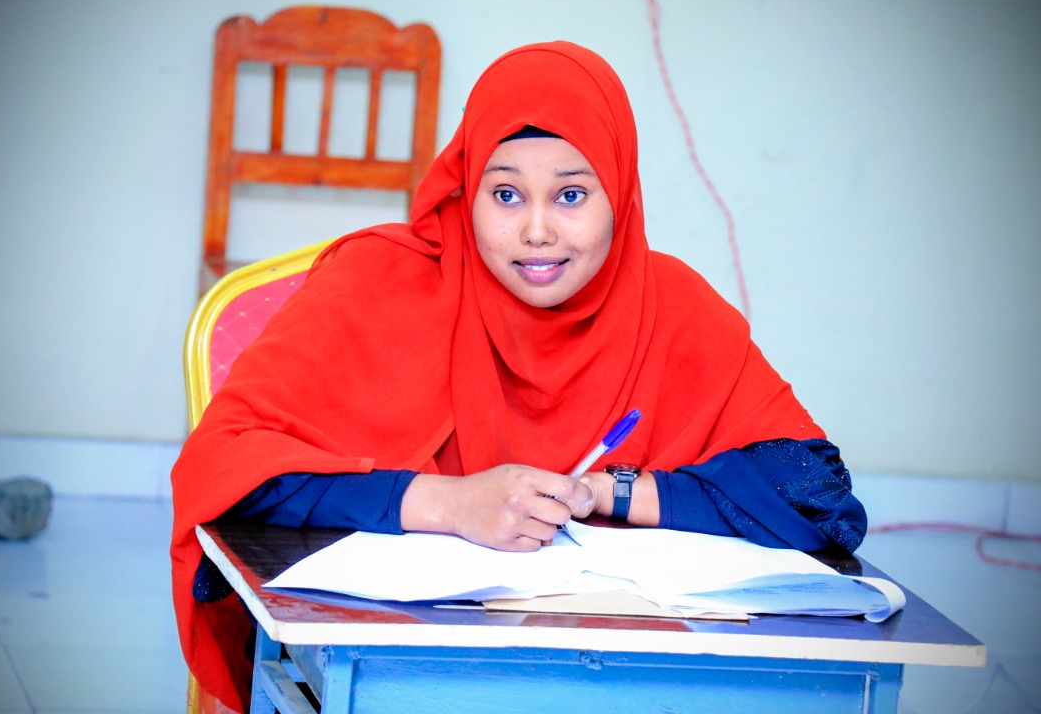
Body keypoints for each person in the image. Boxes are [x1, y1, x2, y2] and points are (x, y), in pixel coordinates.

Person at [171, 41, 866, 712]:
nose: (537, 231)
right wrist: (448, 504)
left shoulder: (675, 309)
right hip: (396, 671)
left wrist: (608, 490)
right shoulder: (376, 286)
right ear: (466, 189)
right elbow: (228, 468)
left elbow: (817, 497)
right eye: (505, 195)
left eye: (570, 197)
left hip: (624, 677)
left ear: (619, 196)